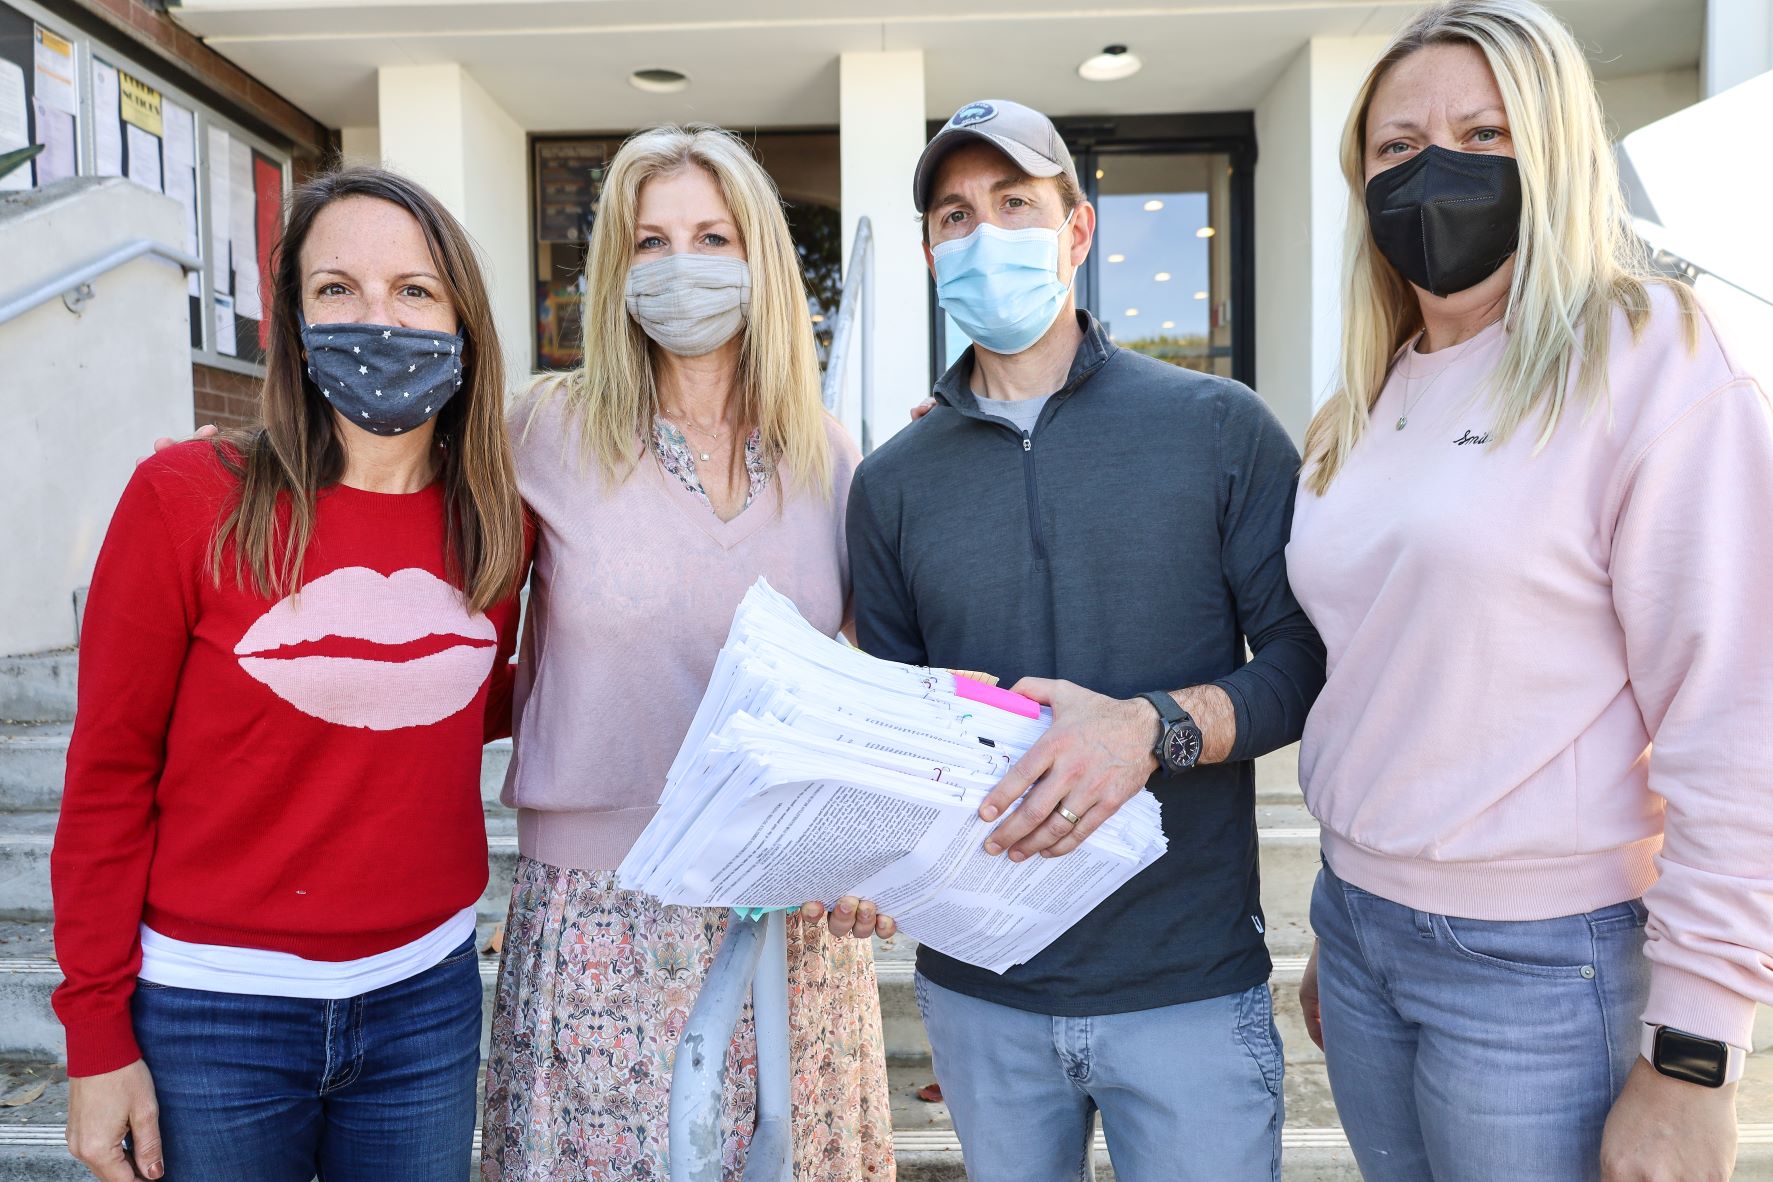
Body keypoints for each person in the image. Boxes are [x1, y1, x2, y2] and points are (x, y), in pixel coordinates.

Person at [1286, 3, 1773, 1180]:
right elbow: (1378, 669)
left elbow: (1736, 715)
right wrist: (1348, 911)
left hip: (1541, 964)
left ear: (1551, 150)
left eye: (1482, 134)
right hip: (1359, 930)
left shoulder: (1649, 353)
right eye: (1398, 146)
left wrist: (1696, 1050)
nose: (1435, 168)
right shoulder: (1367, 397)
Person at [843, 98, 1326, 1182]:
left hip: (1186, 985)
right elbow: (897, 718)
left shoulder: (1219, 428)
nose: (984, 233)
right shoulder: (892, 484)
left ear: (1077, 230)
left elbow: (1304, 662)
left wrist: (1150, 730)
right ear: (929, 253)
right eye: (956, 215)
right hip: (982, 992)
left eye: (1015, 204)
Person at [53, 166, 530, 1182]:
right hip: (211, 1013)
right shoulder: (186, 498)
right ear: (294, 322)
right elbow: (106, 776)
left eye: (414, 290)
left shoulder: (500, 521)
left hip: (425, 1000)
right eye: (336, 289)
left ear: (463, 321)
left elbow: (470, 703)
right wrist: (95, 1034)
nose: (377, 318)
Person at [479, 123, 894, 1181]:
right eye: (650, 242)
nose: (681, 267)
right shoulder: (542, 434)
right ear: (615, 271)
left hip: (791, 916)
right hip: (603, 914)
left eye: (712, 238)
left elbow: (869, 684)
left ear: (761, 260)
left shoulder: (826, 452)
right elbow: (447, 619)